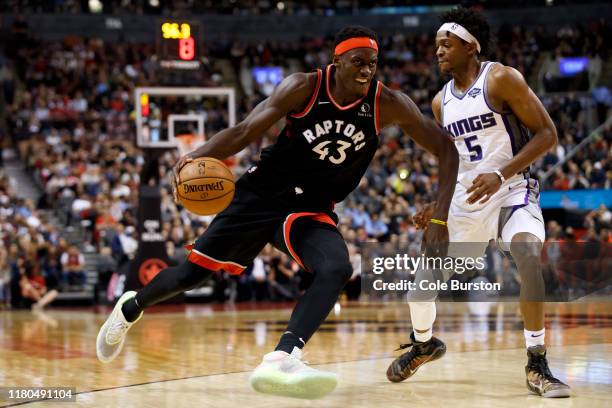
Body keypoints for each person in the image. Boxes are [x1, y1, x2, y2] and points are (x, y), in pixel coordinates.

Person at [96, 25, 458, 399]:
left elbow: (447, 151)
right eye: (358, 62)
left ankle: (283, 356)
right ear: (337, 62)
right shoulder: (303, 87)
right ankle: (131, 306)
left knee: (337, 267)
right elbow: (246, 130)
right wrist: (196, 155)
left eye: (373, 63)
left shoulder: (388, 103)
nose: (367, 70)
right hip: (261, 194)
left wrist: (438, 217)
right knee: (190, 276)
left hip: (311, 207)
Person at [385, 8, 571, 398]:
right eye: (436, 45)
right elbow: (453, 163)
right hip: (465, 202)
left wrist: (501, 174)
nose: (438, 51)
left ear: (472, 46)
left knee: (526, 253)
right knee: (420, 290)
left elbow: (547, 134)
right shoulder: (440, 104)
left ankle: (537, 362)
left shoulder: (500, 78)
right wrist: (437, 206)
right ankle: (424, 345)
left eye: (446, 44)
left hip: (510, 189)